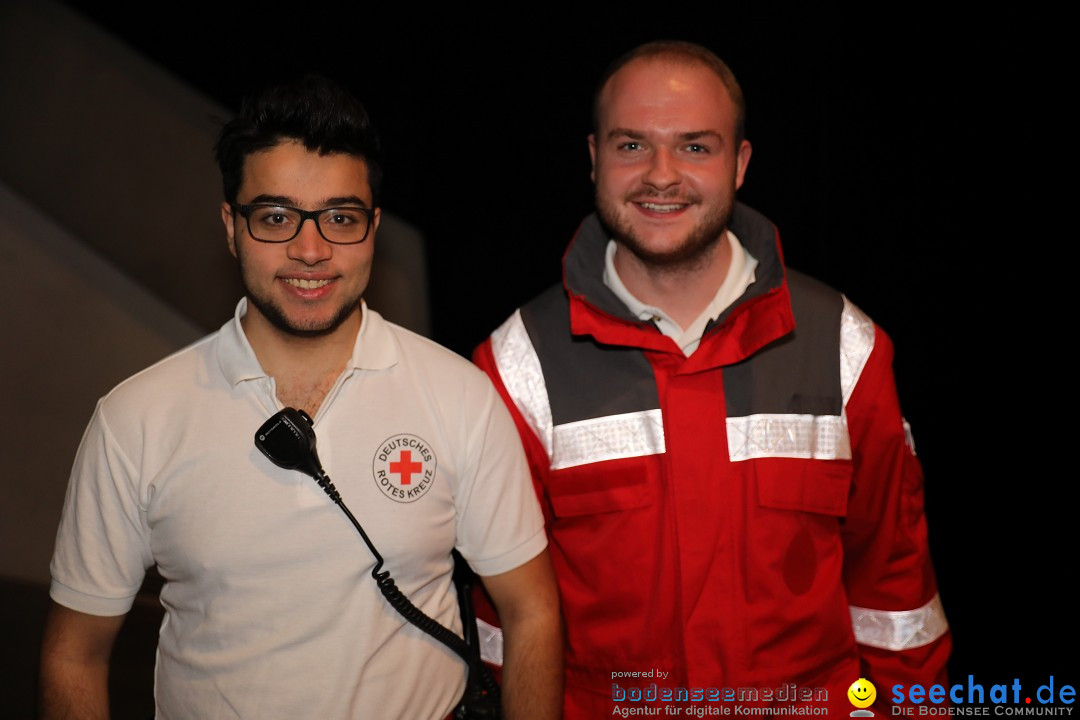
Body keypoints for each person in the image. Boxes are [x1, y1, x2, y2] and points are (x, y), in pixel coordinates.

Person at [40, 76, 562, 720]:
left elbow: (530, 609)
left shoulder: (459, 397)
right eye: (277, 217)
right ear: (231, 226)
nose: (310, 250)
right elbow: (75, 652)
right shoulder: (135, 419)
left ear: (373, 228)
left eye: (340, 218)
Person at [473, 42, 950, 717]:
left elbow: (896, 603)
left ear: (741, 164)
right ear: (593, 159)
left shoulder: (845, 347)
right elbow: (501, 640)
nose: (660, 175)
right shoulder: (515, 366)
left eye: (695, 147)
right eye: (632, 145)